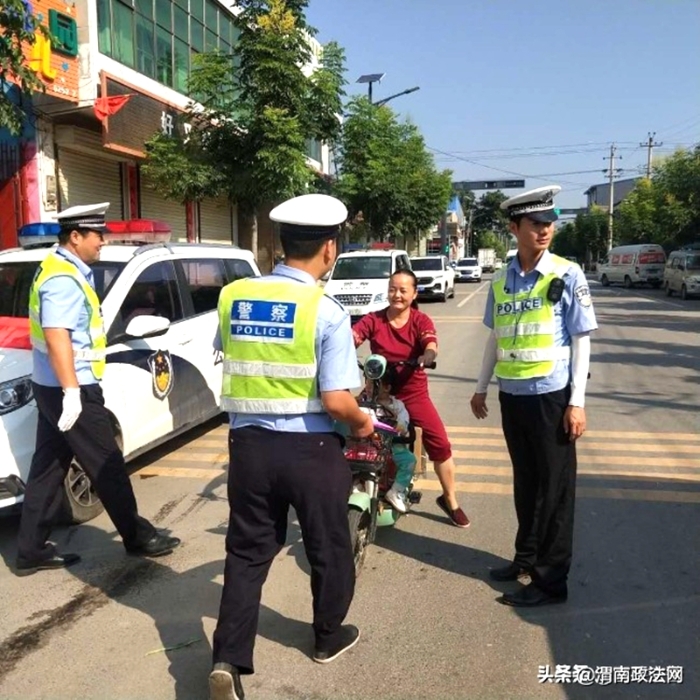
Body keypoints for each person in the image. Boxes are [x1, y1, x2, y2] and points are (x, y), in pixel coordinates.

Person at [209, 194, 374, 700]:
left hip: (248, 447)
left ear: (282, 245)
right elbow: (336, 398)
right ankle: (327, 637)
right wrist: (364, 422)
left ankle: (228, 661)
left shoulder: (234, 295)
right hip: (310, 450)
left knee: (247, 552)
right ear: (330, 249)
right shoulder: (326, 311)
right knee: (328, 545)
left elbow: (227, 352)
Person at [16, 203, 180, 576]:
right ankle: (137, 536)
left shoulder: (61, 268)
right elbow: (58, 336)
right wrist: (73, 391)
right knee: (106, 463)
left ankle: (30, 549)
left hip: (49, 386)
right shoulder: (63, 278)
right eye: (97, 235)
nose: (102, 242)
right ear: (76, 237)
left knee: (47, 466)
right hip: (69, 389)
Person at [470, 185, 598, 607]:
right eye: (536, 223)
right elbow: (495, 337)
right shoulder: (501, 278)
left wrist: (576, 401)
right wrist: (480, 386)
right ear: (515, 228)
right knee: (526, 484)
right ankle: (524, 559)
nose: (545, 230)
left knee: (555, 489)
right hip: (514, 396)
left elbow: (581, 340)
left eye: (549, 223)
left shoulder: (567, 272)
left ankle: (549, 582)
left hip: (551, 396)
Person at [352, 270, 470, 528]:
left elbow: (430, 342)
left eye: (404, 290)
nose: (397, 294)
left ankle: (450, 500)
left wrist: (427, 356)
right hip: (377, 392)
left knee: (439, 442)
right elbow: (354, 336)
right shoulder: (374, 319)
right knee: (345, 427)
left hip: (413, 393)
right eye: (393, 289)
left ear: (414, 293)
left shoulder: (420, 320)